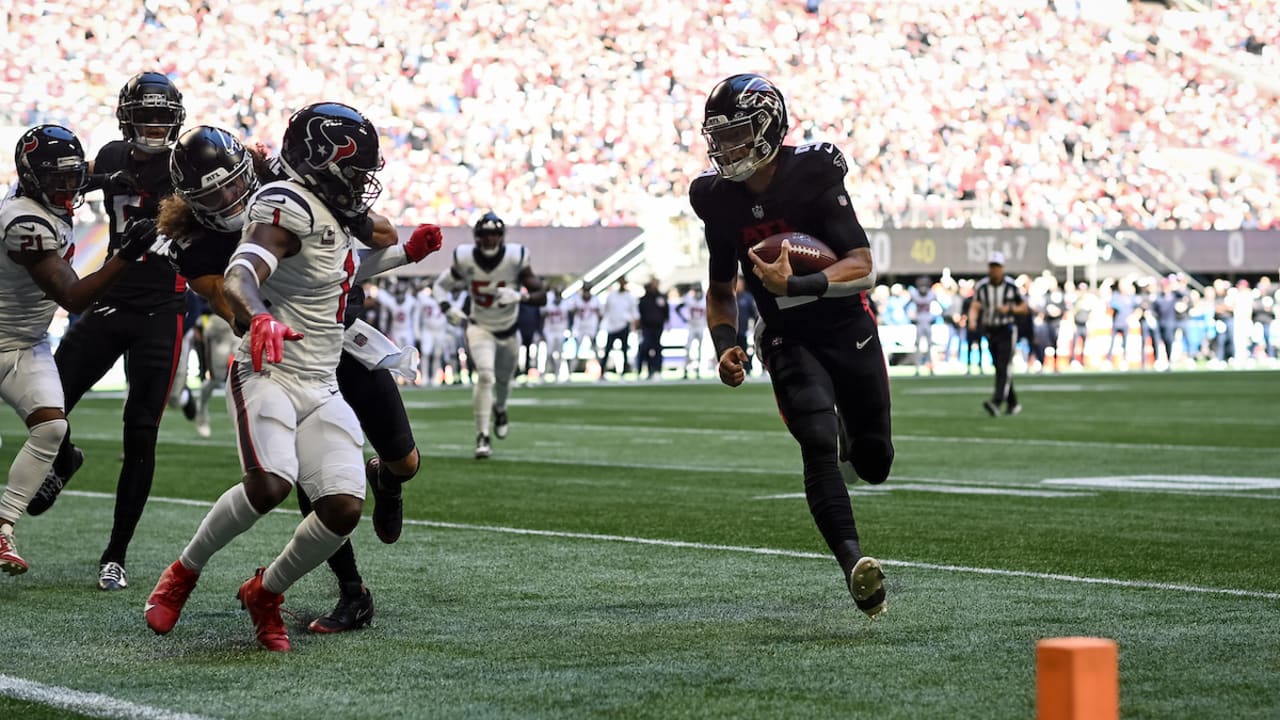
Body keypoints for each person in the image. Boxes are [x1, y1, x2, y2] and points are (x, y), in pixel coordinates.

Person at [142, 103, 418, 651]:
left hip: (332, 352)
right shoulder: (264, 211)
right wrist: (261, 315)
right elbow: (240, 280)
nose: (229, 202)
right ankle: (198, 575)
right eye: (213, 196)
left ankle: (268, 587)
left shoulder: (306, 196)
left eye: (233, 187)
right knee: (283, 482)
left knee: (387, 473)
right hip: (274, 355)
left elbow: (364, 247)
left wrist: (404, 251)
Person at [690, 73, 890, 619]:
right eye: (720, 135)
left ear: (770, 127)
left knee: (874, 462)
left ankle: (855, 431)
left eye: (738, 133)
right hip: (784, 334)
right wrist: (725, 341)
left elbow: (863, 267)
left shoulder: (814, 171)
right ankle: (854, 565)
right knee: (815, 437)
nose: (726, 147)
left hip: (846, 323)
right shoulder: (715, 198)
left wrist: (795, 284)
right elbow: (718, 291)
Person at [24, 72, 189, 593]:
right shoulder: (113, 155)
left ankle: (115, 553)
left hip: (163, 308)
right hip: (110, 300)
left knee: (140, 430)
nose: (154, 127)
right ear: (126, 117)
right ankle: (66, 457)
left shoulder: (189, 164)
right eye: (145, 116)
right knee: (44, 401)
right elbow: (63, 180)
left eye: (163, 118)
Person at [0, 125, 156, 576]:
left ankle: (3, 527)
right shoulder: (23, 221)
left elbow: (78, 174)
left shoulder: (44, 188)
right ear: (32, 179)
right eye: (59, 179)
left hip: (27, 343)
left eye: (72, 177)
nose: (68, 186)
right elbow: (73, 297)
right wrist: (124, 256)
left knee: (50, 429)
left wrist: (105, 179)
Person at [433, 212, 546, 459]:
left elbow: (541, 295)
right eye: (485, 235)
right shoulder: (464, 258)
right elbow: (440, 286)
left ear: (501, 236)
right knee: (485, 375)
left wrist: (520, 296)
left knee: (504, 381)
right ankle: (482, 436)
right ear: (477, 237)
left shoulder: (516, 257)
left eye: (494, 234)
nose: (490, 240)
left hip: (508, 330)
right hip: (479, 326)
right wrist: (446, 307)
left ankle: (501, 408)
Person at [968, 252, 1029, 416]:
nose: (994, 270)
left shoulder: (1010, 286)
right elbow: (975, 305)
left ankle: (996, 401)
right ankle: (1013, 403)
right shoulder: (982, 286)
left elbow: (1024, 308)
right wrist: (972, 320)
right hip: (990, 330)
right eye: (992, 266)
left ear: (1002, 268)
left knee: (1003, 366)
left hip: (1007, 329)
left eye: (997, 267)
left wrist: (1008, 309)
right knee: (999, 367)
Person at [599, 276, 638, 379]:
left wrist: (635, 323)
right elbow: (605, 310)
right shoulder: (611, 295)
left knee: (624, 351)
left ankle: (624, 373)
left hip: (624, 325)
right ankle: (602, 373)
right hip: (612, 326)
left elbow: (634, 312)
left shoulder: (629, 296)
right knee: (607, 350)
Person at [636, 277, 669, 379]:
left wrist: (666, 320)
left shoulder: (661, 297)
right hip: (647, 327)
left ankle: (656, 370)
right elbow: (640, 313)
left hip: (658, 327)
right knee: (645, 347)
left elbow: (665, 311)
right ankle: (643, 369)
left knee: (657, 348)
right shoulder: (644, 299)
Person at [568, 283, 602, 377]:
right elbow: (571, 312)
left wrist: (598, 327)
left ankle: (601, 372)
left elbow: (600, 314)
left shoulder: (595, 299)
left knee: (596, 349)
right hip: (579, 327)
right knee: (575, 350)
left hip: (591, 327)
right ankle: (570, 372)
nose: (586, 293)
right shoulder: (576, 299)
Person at [540, 286, 570, 382]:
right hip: (550, 331)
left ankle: (557, 373)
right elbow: (542, 316)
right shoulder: (548, 304)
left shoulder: (566, 304)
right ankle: (544, 373)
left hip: (561, 331)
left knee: (560, 354)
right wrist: (542, 331)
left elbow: (570, 317)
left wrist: (568, 330)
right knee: (549, 353)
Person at [678, 285, 708, 378]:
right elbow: (678, 308)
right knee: (688, 348)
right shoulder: (689, 299)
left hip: (700, 327)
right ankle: (686, 370)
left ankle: (698, 370)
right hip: (691, 327)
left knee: (699, 350)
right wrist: (684, 319)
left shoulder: (705, 301)